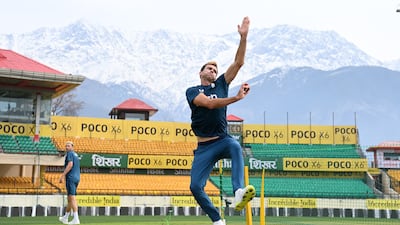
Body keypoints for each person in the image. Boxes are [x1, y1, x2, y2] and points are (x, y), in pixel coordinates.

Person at [185, 16, 255, 225]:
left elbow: (239, 62)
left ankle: (238, 192)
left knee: (235, 146)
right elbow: (208, 104)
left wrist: (243, 37)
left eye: (216, 70)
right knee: (195, 187)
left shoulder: (222, 84)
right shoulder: (193, 91)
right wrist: (235, 98)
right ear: (201, 72)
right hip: (204, 147)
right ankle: (217, 221)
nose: (213, 71)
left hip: (222, 140)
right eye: (210, 68)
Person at [58, 141, 81, 225]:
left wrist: (62, 175)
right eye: (66, 146)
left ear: (72, 147)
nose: (66, 147)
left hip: (71, 178)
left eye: (68, 146)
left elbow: (70, 164)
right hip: (76, 177)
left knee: (72, 198)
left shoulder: (70, 154)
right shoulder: (76, 155)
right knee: (70, 199)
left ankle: (76, 219)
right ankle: (66, 217)